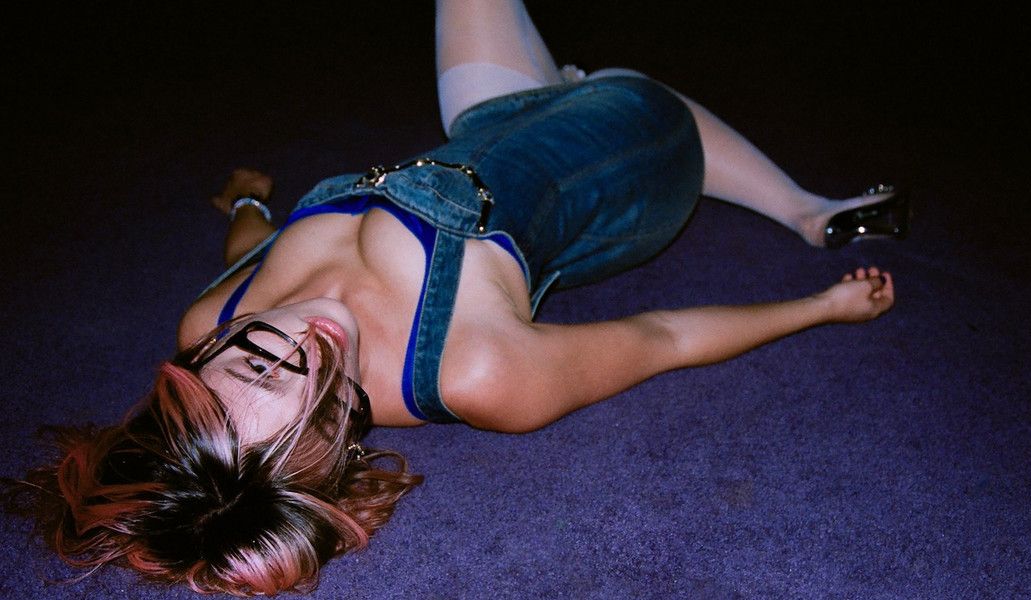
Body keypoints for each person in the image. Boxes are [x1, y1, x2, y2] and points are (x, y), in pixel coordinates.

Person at [6, 0, 907, 595]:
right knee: (629, 94)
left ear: (201, 358)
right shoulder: (475, 372)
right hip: (625, 166)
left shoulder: (209, 321)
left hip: (489, 124)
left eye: (256, 356)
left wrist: (246, 202)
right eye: (318, 394)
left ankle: (561, 87)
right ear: (331, 449)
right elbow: (662, 336)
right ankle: (806, 209)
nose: (311, 337)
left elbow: (252, 253)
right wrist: (821, 309)